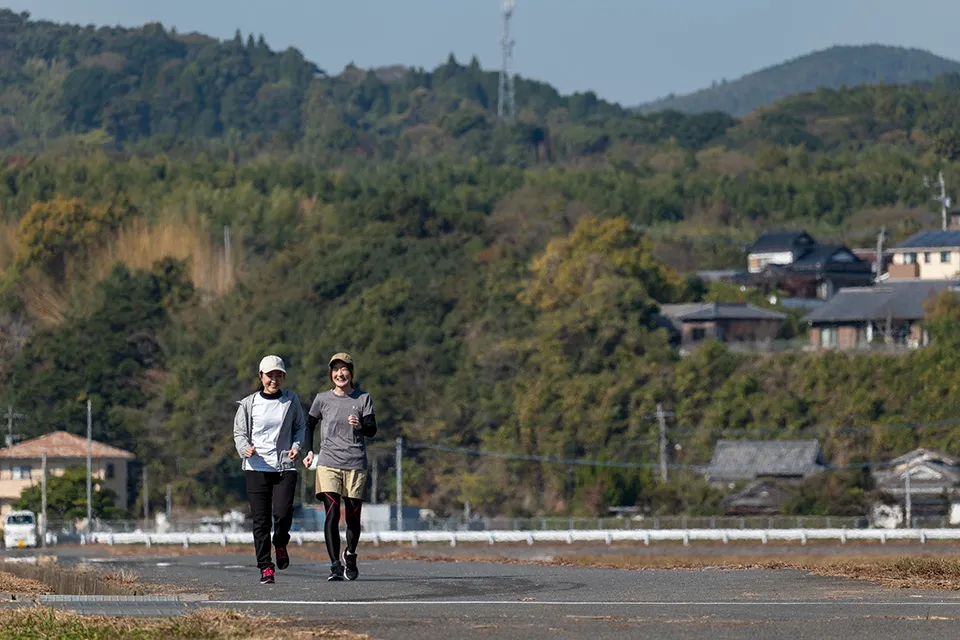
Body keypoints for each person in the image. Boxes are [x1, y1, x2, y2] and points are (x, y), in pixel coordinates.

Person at [303, 352, 377, 581]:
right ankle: (335, 564)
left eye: (344, 369)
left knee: (353, 517)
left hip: (355, 463)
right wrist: (308, 450)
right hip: (328, 463)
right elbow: (309, 424)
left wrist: (360, 425)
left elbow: (372, 430)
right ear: (331, 374)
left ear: (351, 373)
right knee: (332, 513)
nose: (340, 373)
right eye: (335, 369)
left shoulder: (363, 398)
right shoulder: (322, 399)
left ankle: (350, 554)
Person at [233, 354, 306, 585]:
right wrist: (245, 448)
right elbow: (239, 433)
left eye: (279, 375)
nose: (274, 380)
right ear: (261, 376)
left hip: (284, 465)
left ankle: (281, 542)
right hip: (256, 467)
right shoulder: (248, 404)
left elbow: (300, 427)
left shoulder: (291, 400)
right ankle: (265, 566)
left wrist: (296, 446)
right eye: (270, 375)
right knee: (261, 520)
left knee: (283, 514)